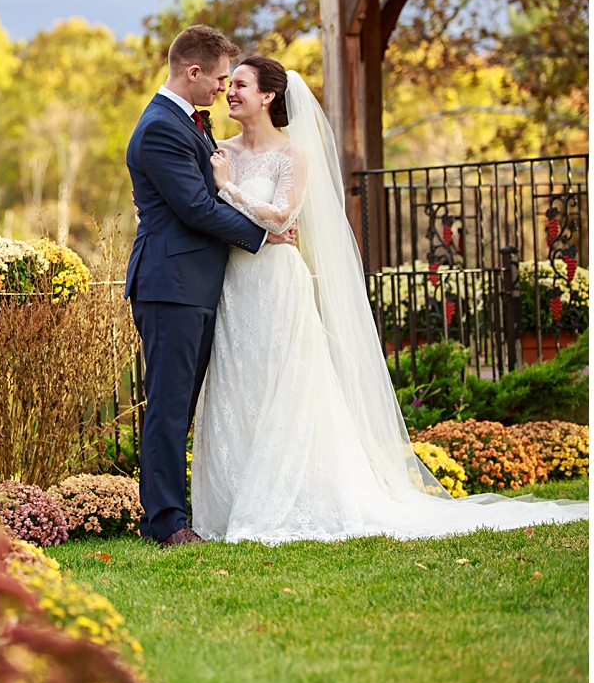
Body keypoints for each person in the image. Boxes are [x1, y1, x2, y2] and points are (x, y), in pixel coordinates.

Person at [184, 55, 588, 543]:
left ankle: (283, 498)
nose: (230, 92)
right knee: (236, 389)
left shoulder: (293, 155)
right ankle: (232, 499)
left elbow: (281, 218)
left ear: (268, 96)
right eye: (230, 85)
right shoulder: (218, 149)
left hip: (276, 284)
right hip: (233, 286)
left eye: (241, 85)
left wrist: (230, 188)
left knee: (284, 389)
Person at [123, 26, 297, 547]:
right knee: (169, 406)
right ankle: (168, 524)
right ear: (192, 72)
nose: (225, 88)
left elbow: (203, 192)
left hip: (195, 285)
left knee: (184, 404)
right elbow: (197, 207)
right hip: (170, 284)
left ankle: (179, 513)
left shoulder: (189, 124)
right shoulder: (160, 127)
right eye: (221, 78)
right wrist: (265, 237)